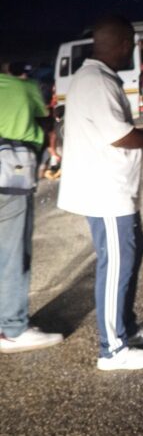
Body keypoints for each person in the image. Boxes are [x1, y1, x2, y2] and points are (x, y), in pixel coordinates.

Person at [57, 16, 143, 371]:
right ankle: (111, 351)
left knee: (126, 261)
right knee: (115, 267)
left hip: (115, 192)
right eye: (129, 42)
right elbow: (123, 137)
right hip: (106, 194)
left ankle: (126, 329)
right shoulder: (97, 82)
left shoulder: (94, 78)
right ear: (117, 43)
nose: (131, 48)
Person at [0, 63, 63, 353]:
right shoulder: (23, 88)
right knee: (13, 255)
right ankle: (13, 329)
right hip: (10, 179)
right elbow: (47, 119)